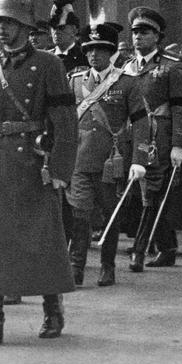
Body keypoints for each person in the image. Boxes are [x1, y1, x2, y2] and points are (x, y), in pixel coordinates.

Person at [0, 0, 78, 344]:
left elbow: (65, 121)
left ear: (25, 26)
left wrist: (60, 169)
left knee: (43, 238)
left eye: (8, 23)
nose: (2, 29)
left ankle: (52, 309)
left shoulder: (49, 65)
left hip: (34, 164)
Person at [67, 21, 147, 287]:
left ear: (111, 52)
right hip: (79, 159)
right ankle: (76, 267)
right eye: (89, 49)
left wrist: (139, 159)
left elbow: (141, 122)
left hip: (110, 161)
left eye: (100, 49)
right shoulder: (75, 81)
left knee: (111, 214)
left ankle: (107, 266)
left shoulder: (127, 83)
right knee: (79, 215)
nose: (93, 54)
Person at [118, 7, 182, 271]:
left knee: (152, 192)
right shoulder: (126, 67)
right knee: (142, 193)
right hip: (132, 136)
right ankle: (167, 246)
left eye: (145, 32)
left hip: (159, 137)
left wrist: (178, 144)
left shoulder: (171, 66)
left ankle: (139, 250)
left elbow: (180, 107)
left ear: (157, 36)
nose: (138, 37)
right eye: (135, 32)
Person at [48, 0, 88, 73]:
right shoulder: (45, 57)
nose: (56, 32)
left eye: (61, 28)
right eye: (54, 28)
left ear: (74, 30)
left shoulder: (84, 57)